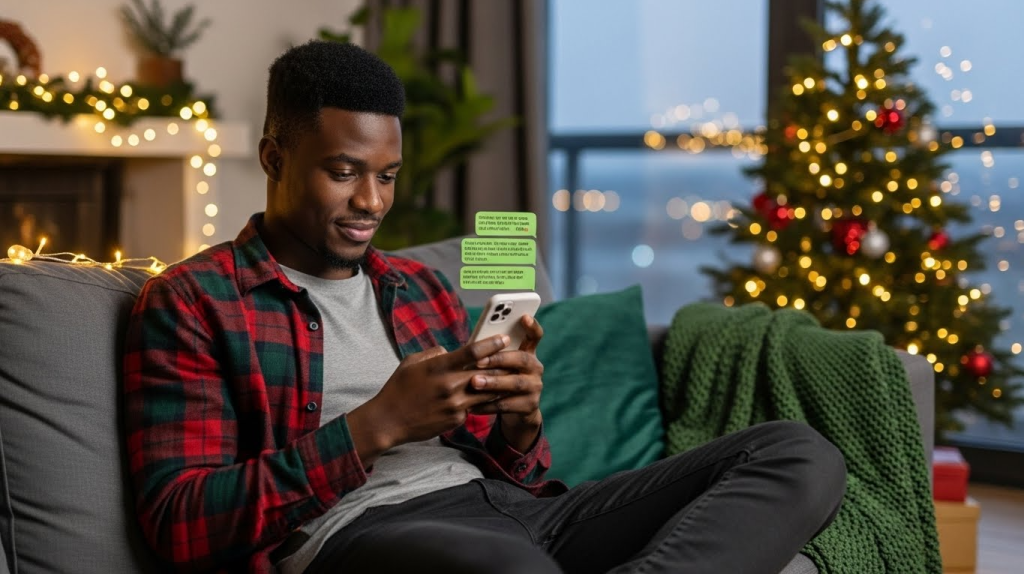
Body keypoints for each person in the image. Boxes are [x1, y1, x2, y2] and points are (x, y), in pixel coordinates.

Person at [123, 40, 846, 574]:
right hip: (360, 535)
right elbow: (178, 523)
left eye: (387, 176)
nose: (370, 202)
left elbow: (520, 473)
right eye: (343, 173)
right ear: (275, 157)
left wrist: (519, 420)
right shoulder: (193, 303)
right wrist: (378, 424)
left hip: (516, 513)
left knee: (797, 454)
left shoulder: (419, 288)